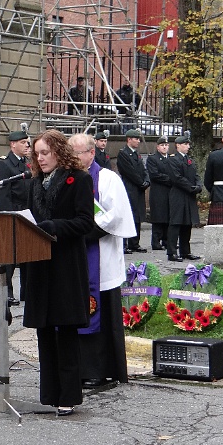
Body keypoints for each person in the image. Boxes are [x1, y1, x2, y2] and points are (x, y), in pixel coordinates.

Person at [23, 130, 94, 416]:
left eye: (45, 153)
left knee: (65, 330)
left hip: (66, 264)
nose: (40, 158)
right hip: (39, 263)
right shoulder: (34, 183)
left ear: (59, 152)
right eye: (36, 154)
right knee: (44, 330)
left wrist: (54, 226)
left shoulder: (79, 179)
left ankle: (68, 395)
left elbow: (85, 222)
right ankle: (50, 393)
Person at [69, 134, 135, 388]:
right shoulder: (68, 178)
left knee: (101, 312)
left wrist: (82, 229)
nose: (73, 158)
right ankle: (77, 367)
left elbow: (114, 215)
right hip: (74, 257)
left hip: (100, 255)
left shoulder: (107, 178)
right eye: (70, 153)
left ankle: (100, 369)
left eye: (77, 153)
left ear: (91, 153)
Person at [0, 127, 32, 306]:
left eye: (27, 143)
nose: (27, 146)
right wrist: (10, 216)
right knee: (9, 258)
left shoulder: (26, 164)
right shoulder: (4, 164)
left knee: (27, 256)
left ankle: (27, 292)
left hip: (26, 213)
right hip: (12, 214)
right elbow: (2, 194)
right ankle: (7, 292)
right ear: (13, 144)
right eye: (23, 143)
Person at [166, 132, 202, 262]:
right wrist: (191, 187)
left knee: (187, 223)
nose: (188, 147)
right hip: (178, 194)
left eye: (188, 144)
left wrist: (199, 185)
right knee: (176, 223)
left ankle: (185, 251)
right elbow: (177, 178)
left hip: (189, 195)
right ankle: (172, 252)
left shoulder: (189, 159)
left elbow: (196, 175)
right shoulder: (172, 159)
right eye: (185, 144)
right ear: (178, 145)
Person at [116, 129, 149, 254]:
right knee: (128, 215)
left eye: (139, 139)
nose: (138, 141)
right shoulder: (123, 154)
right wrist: (141, 182)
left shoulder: (136, 154)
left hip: (138, 189)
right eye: (136, 139)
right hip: (129, 188)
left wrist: (147, 181)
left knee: (138, 216)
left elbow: (143, 169)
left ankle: (135, 243)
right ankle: (125, 244)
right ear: (129, 139)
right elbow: (129, 172)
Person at [146, 135, 172, 250]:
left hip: (169, 192)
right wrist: (170, 179)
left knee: (168, 216)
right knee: (158, 217)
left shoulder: (170, 159)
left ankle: (166, 241)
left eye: (166, 145)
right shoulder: (153, 159)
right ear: (157, 147)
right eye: (162, 145)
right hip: (158, 192)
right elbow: (154, 175)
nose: (164, 147)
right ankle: (156, 242)